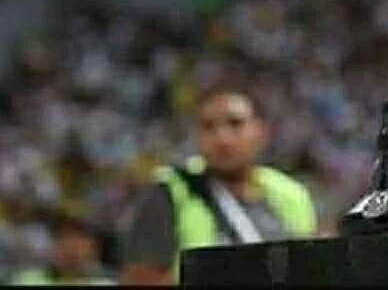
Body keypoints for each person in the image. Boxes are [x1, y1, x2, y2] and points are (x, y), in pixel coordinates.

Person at [119, 82, 317, 284]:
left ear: (262, 131)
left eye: (235, 123)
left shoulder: (293, 195)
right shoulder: (171, 191)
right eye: (208, 126)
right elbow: (142, 279)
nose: (222, 138)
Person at [7, 214, 113, 285]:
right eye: (65, 239)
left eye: (78, 244)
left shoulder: (104, 283)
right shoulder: (27, 280)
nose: (71, 250)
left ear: (93, 251)